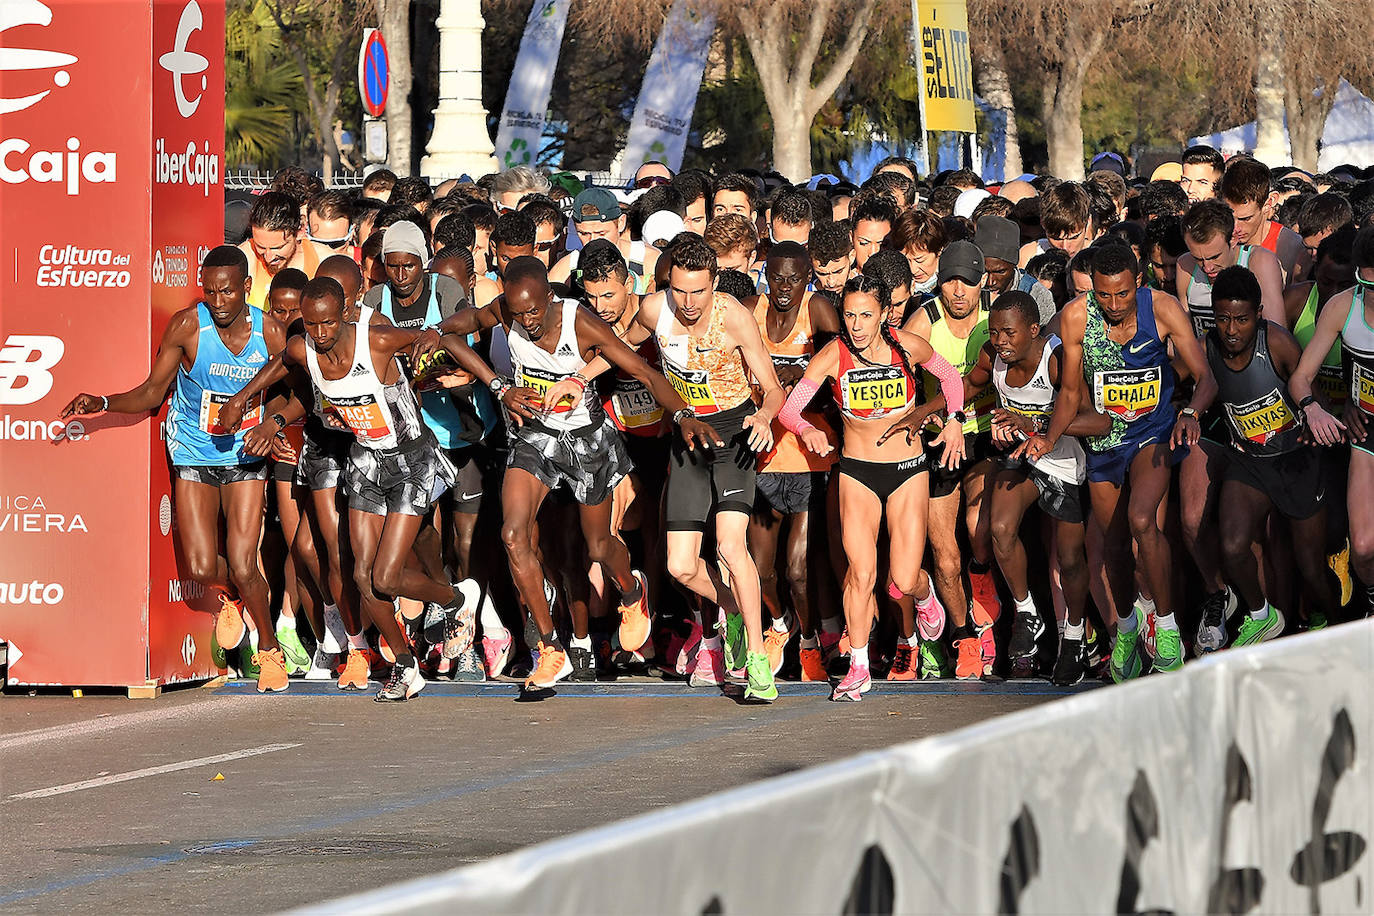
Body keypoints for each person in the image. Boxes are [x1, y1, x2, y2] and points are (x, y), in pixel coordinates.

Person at [423, 257, 719, 689]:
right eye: (519, 313)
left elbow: (642, 371)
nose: (528, 320)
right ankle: (550, 649)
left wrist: (684, 415)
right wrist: (494, 382)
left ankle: (632, 593)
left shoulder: (579, 323)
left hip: (585, 439)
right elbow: (461, 325)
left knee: (598, 547)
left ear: (551, 296)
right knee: (512, 535)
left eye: (535, 311)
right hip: (536, 436)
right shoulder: (507, 311)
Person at [226, 277, 472, 702]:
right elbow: (283, 363)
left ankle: (454, 601)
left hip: (411, 459)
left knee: (387, 575)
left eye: (327, 324)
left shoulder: (376, 340)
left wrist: (495, 385)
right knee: (362, 576)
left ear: (345, 315)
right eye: (311, 324)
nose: (319, 335)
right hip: (366, 463)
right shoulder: (306, 348)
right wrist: (244, 398)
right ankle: (405, 665)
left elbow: (440, 338)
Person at [60, 246, 290, 692]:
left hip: (244, 455)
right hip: (192, 452)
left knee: (244, 564)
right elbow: (151, 392)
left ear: (246, 287)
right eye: (209, 292)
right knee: (203, 568)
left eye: (226, 292)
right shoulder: (188, 325)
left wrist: (270, 421)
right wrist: (102, 403)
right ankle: (234, 598)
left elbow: (296, 391)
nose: (218, 301)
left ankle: (269, 650)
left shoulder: (271, 332)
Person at [1031, 243, 1216, 679]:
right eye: (1103, 295)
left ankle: (1167, 630)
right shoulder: (1077, 317)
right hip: (1102, 439)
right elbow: (1071, 395)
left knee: (1140, 521)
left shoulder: (1164, 308)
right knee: (1112, 544)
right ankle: (1129, 629)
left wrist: (1189, 413)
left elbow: (1205, 375)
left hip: (1152, 432)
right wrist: (1048, 437)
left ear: (1138, 282)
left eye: (1122, 294)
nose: (1112, 305)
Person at [777, 275, 965, 699]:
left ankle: (925, 594)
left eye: (866, 315)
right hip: (857, 472)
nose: (857, 325)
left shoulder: (906, 346)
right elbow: (790, 410)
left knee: (900, 578)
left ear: (884, 314)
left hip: (907, 469)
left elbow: (952, 380)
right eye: (849, 315)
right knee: (861, 574)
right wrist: (806, 430)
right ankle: (858, 665)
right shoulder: (833, 355)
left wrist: (954, 421)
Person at [621, 236, 786, 700]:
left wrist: (763, 415)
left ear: (714, 282)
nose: (689, 303)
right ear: (668, 284)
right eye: (680, 292)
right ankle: (733, 608)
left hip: (735, 433)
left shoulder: (733, 316)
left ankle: (756, 658)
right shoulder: (655, 310)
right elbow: (622, 350)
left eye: (699, 291)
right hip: (688, 437)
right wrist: (577, 372)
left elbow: (772, 388)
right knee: (679, 565)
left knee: (733, 549)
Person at [966, 292, 1106, 685]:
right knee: (999, 529)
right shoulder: (992, 358)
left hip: (1063, 462)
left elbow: (1100, 422)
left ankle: (1075, 637)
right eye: (994, 332)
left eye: (1008, 332)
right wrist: (926, 411)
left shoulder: (1057, 361)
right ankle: (1027, 612)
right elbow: (964, 386)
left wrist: (1036, 427)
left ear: (1033, 331)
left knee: (1070, 559)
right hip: (1023, 457)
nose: (1000, 341)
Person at [1205, 266, 1338, 641]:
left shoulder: (1276, 342)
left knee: (1310, 567)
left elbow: (1308, 387)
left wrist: (1319, 419)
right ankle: (1262, 614)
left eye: (1242, 320)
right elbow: (1175, 378)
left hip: (1296, 461)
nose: (1231, 330)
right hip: (1249, 463)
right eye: (1223, 319)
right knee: (1232, 546)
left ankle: (1342, 629)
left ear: (1258, 315)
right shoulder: (1208, 346)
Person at [900, 241, 1000, 679]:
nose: (959, 291)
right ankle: (963, 637)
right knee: (944, 555)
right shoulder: (924, 319)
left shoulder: (996, 317)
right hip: (938, 440)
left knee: (980, 527)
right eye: (949, 282)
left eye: (969, 282)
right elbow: (900, 377)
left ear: (985, 282)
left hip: (986, 435)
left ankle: (983, 580)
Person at [746, 241, 841, 678]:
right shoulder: (748, 309)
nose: (785, 287)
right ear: (765, 273)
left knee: (798, 570)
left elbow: (843, 373)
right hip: (761, 456)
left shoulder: (818, 310)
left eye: (795, 278)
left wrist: (803, 378)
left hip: (808, 460)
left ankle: (808, 643)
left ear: (809, 278)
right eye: (777, 277)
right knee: (762, 571)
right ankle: (781, 625)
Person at [1289, 224, 1374, 619]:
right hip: (1365, 439)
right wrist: (1315, 408)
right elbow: (1300, 377)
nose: (1372, 296)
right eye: (1366, 285)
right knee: (1362, 548)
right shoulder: (1343, 307)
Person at [1219, 156, 1307, 282]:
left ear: (1269, 202)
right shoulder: (1214, 241)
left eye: (1246, 218)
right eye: (1228, 216)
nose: (1235, 228)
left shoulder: (1291, 247)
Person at [238, 191, 328, 310]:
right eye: (260, 247)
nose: (268, 257)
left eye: (277, 248)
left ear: (299, 232)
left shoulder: (322, 259)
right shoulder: (245, 259)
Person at [975, 215, 1056, 325]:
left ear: (1014, 265)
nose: (990, 282)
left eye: (1000, 272)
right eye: (984, 271)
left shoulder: (1036, 294)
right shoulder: (965, 290)